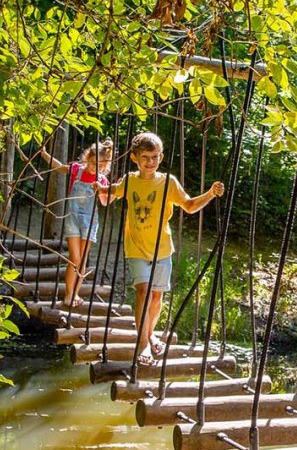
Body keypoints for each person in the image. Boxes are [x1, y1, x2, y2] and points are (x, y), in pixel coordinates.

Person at [104, 132, 224, 365]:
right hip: (136, 247)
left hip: (162, 248)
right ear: (134, 158)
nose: (151, 162)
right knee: (143, 291)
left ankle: (149, 333)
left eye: (156, 157)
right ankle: (144, 344)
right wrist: (99, 188)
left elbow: (189, 206)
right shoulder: (129, 181)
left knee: (157, 297)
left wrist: (210, 194)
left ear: (162, 156)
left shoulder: (168, 182)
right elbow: (110, 195)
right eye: (146, 157)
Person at [39, 138, 113, 309]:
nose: (96, 168)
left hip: (90, 221)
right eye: (94, 163)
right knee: (75, 258)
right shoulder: (76, 171)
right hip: (73, 219)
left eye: (100, 166)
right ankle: (68, 294)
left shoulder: (101, 180)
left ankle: (75, 294)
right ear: (88, 157)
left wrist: (105, 191)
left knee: (82, 260)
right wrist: (44, 154)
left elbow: (104, 202)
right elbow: (58, 166)